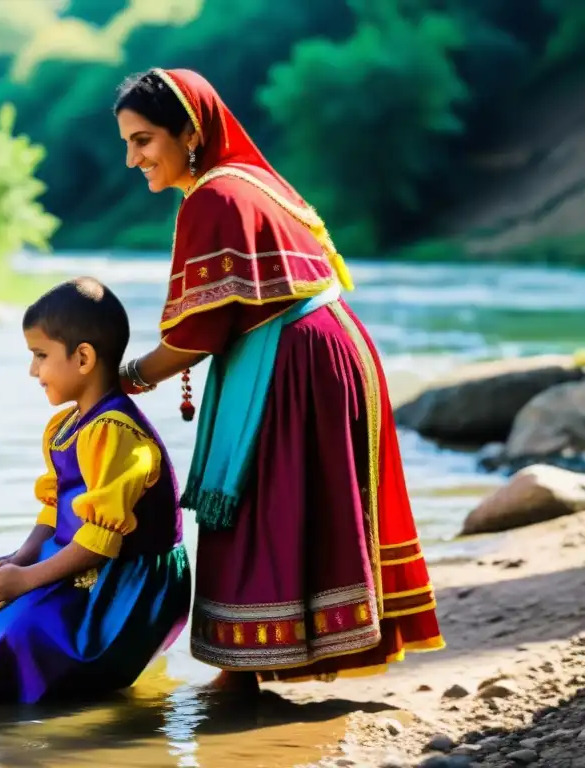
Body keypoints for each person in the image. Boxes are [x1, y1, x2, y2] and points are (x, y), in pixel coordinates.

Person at [112, 68, 444, 690]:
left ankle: (243, 672)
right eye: (127, 143)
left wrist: (124, 376)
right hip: (326, 349)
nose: (133, 158)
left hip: (294, 362)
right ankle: (264, 665)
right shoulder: (248, 182)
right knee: (295, 501)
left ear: (189, 132)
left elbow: (198, 334)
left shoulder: (214, 196)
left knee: (259, 501)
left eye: (144, 140)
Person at [0, 277, 192, 705]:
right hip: (71, 555)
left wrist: (28, 580)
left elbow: (100, 542)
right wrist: (20, 558)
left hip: (126, 582)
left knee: (16, 637)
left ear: (84, 358)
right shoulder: (66, 426)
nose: (33, 371)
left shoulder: (116, 434)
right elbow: (55, 509)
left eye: (40, 356)